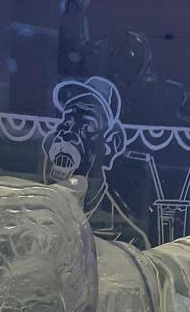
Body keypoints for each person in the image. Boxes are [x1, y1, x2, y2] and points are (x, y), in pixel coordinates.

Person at [42, 75, 150, 247]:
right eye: (67, 121)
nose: (68, 132)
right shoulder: (30, 217)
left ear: (111, 144)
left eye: (87, 125)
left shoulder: (127, 240)